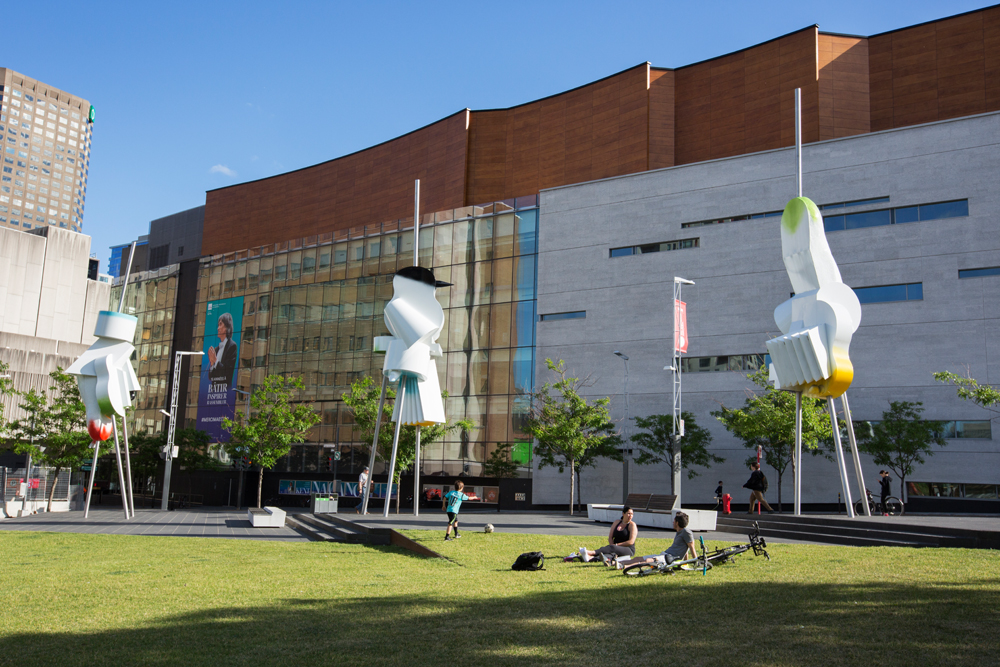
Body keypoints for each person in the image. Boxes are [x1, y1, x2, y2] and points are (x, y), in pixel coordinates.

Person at [616, 512, 697, 569]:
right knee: (638, 558)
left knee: (648, 561)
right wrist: (685, 563)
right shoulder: (679, 532)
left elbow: (691, 547)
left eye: (674, 521)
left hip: (669, 559)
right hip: (665, 555)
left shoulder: (686, 532)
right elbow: (685, 548)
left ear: (677, 523)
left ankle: (623, 566)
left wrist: (695, 562)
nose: (673, 522)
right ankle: (617, 563)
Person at [207, 312, 238, 387]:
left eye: (220, 324)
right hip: (214, 391)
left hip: (226, 391)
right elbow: (210, 377)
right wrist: (212, 363)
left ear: (227, 327)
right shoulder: (217, 349)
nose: (218, 328)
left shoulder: (232, 346)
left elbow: (227, 373)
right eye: (218, 325)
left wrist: (215, 360)